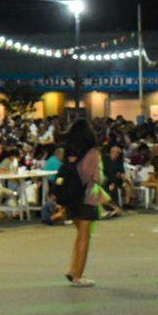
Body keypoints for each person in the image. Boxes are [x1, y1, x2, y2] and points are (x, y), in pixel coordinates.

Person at [60, 119, 102, 287]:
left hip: (71, 197)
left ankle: (72, 268)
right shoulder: (92, 153)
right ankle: (78, 276)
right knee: (85, 237)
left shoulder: (68, 151)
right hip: (87, 197)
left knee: (79, 235)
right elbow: (96, 178)